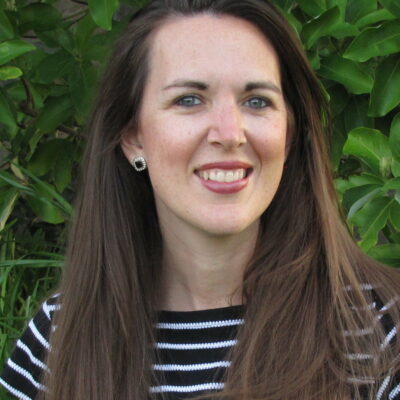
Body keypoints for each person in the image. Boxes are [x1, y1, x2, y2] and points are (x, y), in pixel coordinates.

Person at [1, 0, 400, 399]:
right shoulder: (57, 339)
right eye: (189, 99)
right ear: (132, 135)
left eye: (257, 101)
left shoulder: (381, 330)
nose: (230, 133)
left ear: (289, 133)